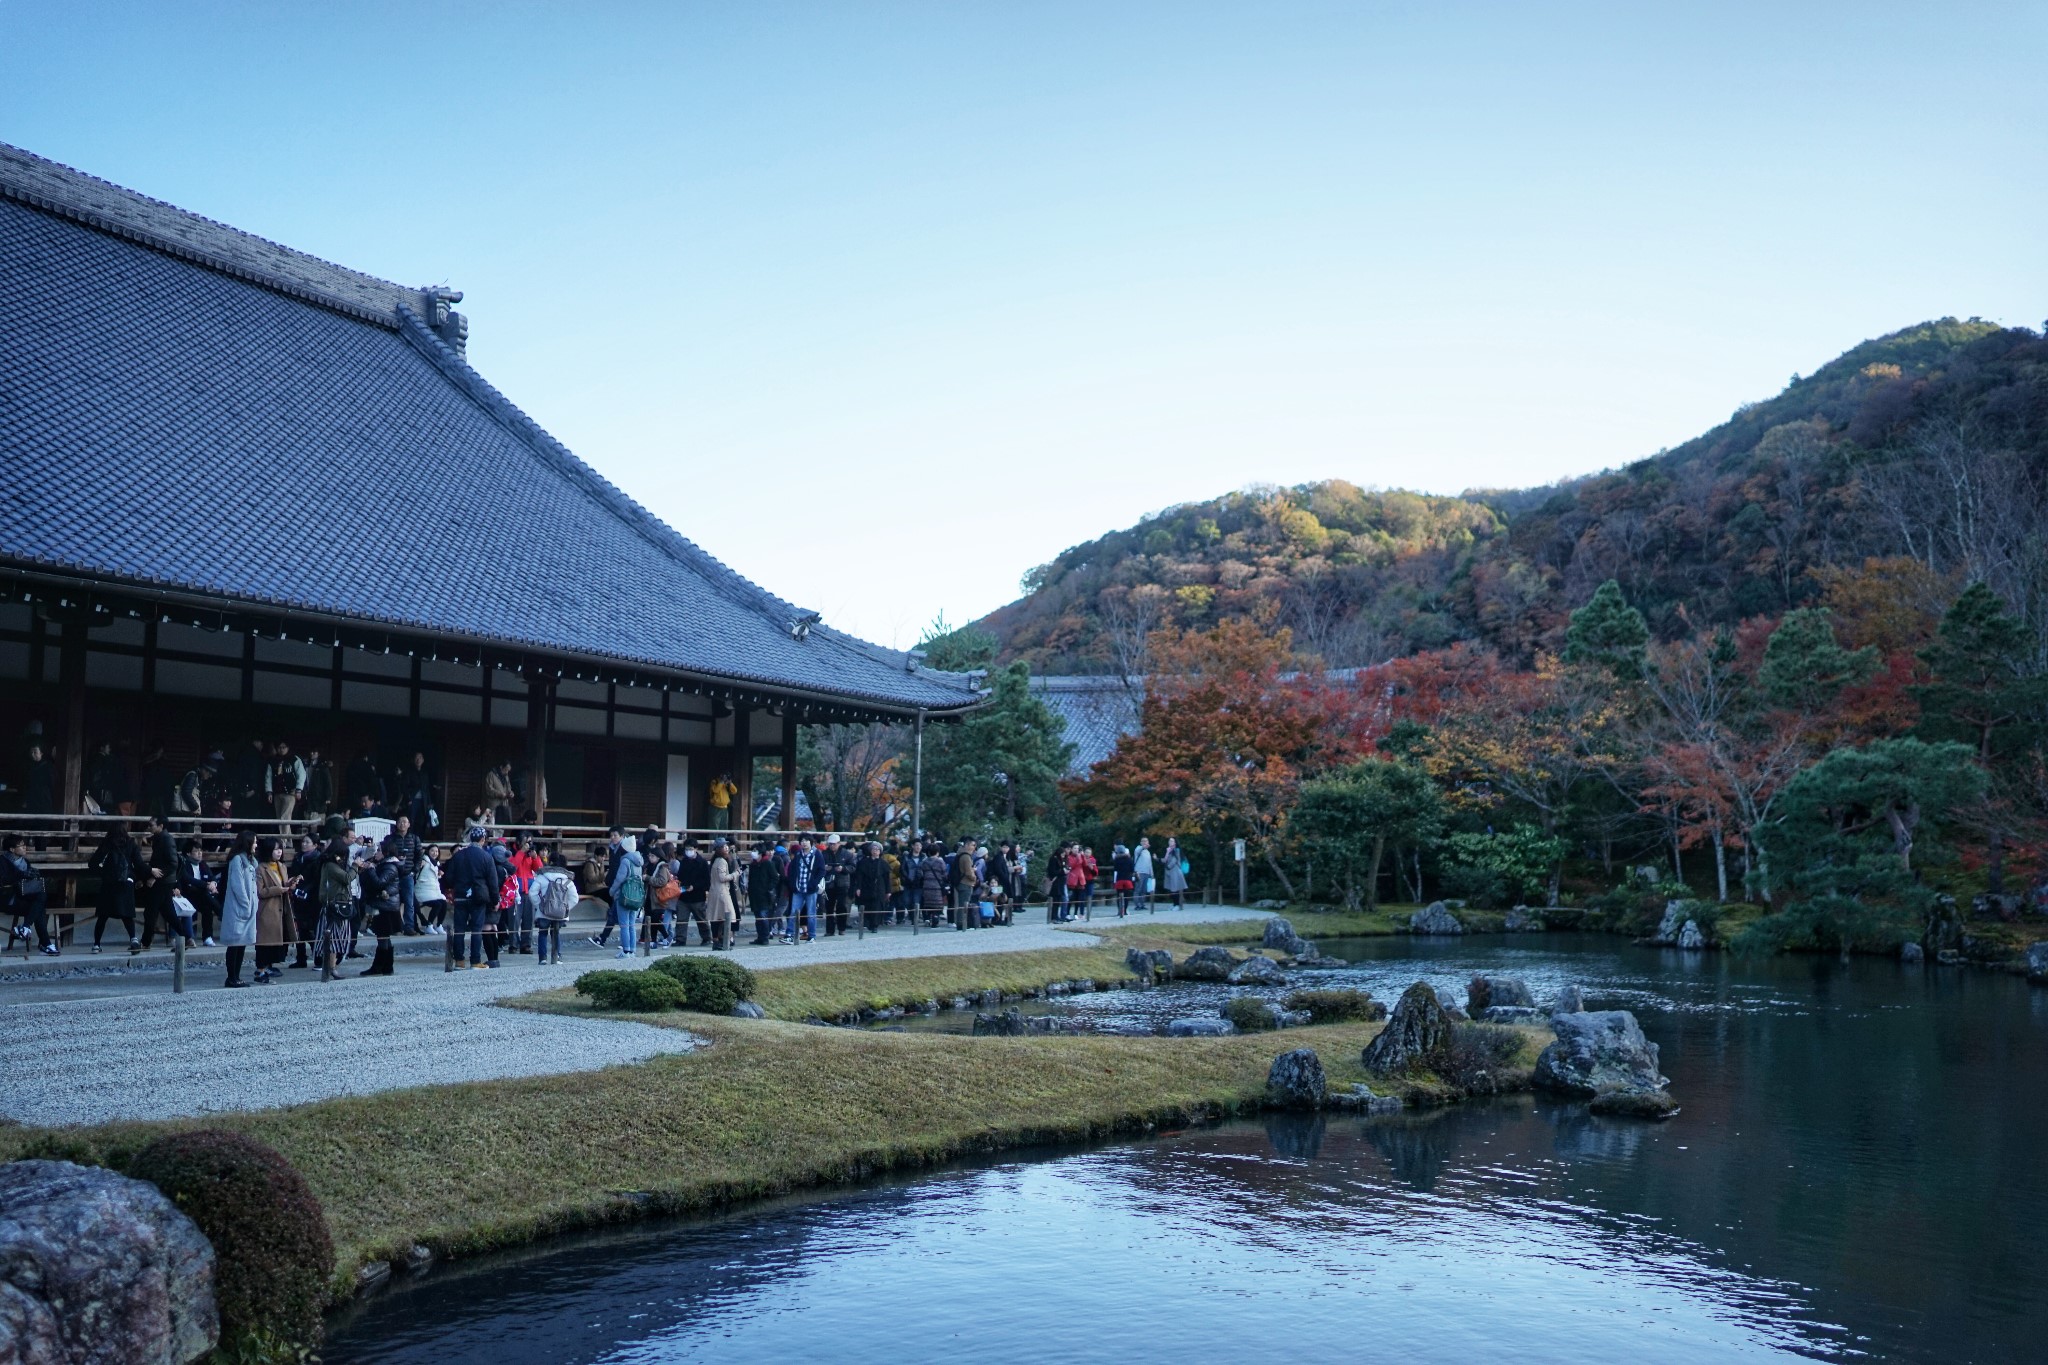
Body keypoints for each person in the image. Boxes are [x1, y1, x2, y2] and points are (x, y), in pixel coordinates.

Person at [447, 826, 505, 968]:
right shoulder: (486, 857)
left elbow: (448, 878)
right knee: (477, 930)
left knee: (459, 929)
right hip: (478, 897)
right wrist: (495, 900)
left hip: (460, 895)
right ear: (483, 839)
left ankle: (459, 961)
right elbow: (493, 881)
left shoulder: (458, 855)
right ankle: (475, 961)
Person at [87, 821, 140, 953]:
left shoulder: (107, 844)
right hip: (125, 883)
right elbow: (138, 863)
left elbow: (93, 863)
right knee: (127, 915)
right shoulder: (131, 844)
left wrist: (104, 873)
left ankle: (96, 944)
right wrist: (133, 877)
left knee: (103, 916)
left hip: (109, 883)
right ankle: (133, 939)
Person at [314, 827, 356, 981]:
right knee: (332, 939)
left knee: (335, 939)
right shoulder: (331, 866)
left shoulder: (329, 864)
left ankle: (331, 967)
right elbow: (346, 878)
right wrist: (356, 867)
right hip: (334, 907)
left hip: (336, 905)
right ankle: (330, 968)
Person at [218, 829, 258, 987]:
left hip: (248, 907)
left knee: (242, 944)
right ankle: (231, 977)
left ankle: (237, 976)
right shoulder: (236, 860)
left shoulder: (251, 860)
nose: (256, 844)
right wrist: (246, 904)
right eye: (254, 841)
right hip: (238, 907)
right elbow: (237, 885)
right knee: (234, 943)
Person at [254, 837, 297, 983]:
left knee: (279, 941)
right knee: (265, 942)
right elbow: (260, 892)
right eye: (276, 849)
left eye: (280, 849)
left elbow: (284, 884)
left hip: (283, 908)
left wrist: (291, 883)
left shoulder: (282, 866)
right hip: (268, 909)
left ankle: (269, 967)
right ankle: (260, 970)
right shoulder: (261, 868)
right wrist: (279, 889)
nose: (279, 852)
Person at [2, 834, 54, 956]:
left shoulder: (25, 862)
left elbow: (26, 884)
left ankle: (25, 927)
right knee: (39, 908)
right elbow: (4, 879)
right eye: (21, 845)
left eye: (25, 845)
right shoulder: (2, 861)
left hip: (22, 897)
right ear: (12, 849)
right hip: (7, 899)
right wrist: (22, 875)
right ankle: (45, 944)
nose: (25, 847)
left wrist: (34, 876)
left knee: (41, 897)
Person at [358, 838, 403, 976]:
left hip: (386, 906)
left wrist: (371, 870)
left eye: (379, 850)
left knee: (383, 936)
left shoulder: (390, 866)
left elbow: (379, 883)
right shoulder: (384, 864)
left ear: (386, 852)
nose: (376, 853)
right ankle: (385, 966)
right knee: (383, 936)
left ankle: (381, 966)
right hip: (384, 904)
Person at [138, 814, 180, 949]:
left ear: (161, 826)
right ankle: (187, 937)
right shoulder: (158, 838)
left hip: (163, 881)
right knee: (167, 912)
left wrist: (154, 877)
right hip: (163, 880)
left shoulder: (167, 840)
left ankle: (145, 942)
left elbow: (172, 863)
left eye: (151, 825)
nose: (149, 827)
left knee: (151, 911)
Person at [532, 848, 578, 964]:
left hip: (544, 912)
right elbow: (575, 899)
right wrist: (565, 908)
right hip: (561, 913)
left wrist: (540, 906)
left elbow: (532, 893)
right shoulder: (568, 879)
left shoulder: (542, 876)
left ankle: (542, 958)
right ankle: (557, 956)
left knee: (542, 933)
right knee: (556, 933)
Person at [608, 831, 645, 958]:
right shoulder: (639, 862)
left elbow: (619, 879)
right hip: (635, 897)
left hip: (624, 896)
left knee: (624, 924)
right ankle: (632, 950)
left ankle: (625, 950)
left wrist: (612, 891)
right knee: (632, 924)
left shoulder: (625, 861)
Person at [506, 832, 544, 954]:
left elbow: (539, 870)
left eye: (530, 842)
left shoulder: (529, 856)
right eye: (526, 842)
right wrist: (521, 852)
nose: (528, 844)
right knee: (514, 920)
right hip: (516, 893)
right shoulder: (511, 853)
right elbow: (513, 867)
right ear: (519, 842)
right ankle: (513, 945)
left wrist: (535, 857)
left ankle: (526, 945)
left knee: (529, 920)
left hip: (529, 891)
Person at [286, 834, 320, 966]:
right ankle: (301, 958)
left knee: (310, 929)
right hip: (297, 894)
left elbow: (315, 880)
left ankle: (317, 956)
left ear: (315, 845)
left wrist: (305, 890)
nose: (304, 844)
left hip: (311, 898)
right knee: (299, 929)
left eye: (307, 842)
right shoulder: (298, 857)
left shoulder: (317, 859)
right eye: (303, 842)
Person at [785, 835, 825, 942]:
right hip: (798, 888)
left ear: (811, 842)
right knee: (793, 912)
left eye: (806, 840)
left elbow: (821, 870)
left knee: (811, 913)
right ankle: (789, 934)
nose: (804, 843)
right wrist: (793, 884)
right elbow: (792, 870)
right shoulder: (798, 854)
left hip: (810, 889)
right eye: (802, 841)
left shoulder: (817, 854)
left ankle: (812, 936)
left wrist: (813, 883)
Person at [389, 813, 424, 934]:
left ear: (409, 824)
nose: (402, 824)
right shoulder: (391, 838)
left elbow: (420, 855)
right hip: (392, 875)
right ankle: (395, 926)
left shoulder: (414, 838)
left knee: (409, 902)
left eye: (405, 822)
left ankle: (409, 926)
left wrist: (415, 870)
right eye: (400, 821)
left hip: (408, 874)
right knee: (392, 901)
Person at [705, 839, 738, 950]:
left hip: (714, 892)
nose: (727, 848)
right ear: (719, 849)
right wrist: (735, 874)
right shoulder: (722, 861)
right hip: (722, 892)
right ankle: (724, 940)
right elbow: (722, 878)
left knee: (716, 917)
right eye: (724, 847)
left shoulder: (715, 860)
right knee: (728, 916)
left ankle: (716, 940)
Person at [678, 841, 711, 945]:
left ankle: (707, 938)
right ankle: (680, 939)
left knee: (701, 919)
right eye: (687, 849)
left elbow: (707, 881)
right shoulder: (684, 861)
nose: (688, 851)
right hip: (684, 896)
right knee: (681, 919)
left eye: (691, 849)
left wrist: (695, 886)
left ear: (696, 849)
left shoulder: (702, 862)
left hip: (698, 897)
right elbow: (680, 876)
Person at [854, 840, 890, 933]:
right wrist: (858, 888)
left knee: (877, 906)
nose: (875, 851)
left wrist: (888, 891)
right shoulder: (863, 862)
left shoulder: (884, 863)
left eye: (877, 849)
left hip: (879, 887)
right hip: (866, 886)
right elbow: (859, 876)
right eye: (873, 849)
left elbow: (887, 878)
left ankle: (875, 925)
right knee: (867, 905)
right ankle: (868, 923)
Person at [747, 850, 779, 944]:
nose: (753, 853)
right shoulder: (753, 865)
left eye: (755, 851)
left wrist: (768, 888)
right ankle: (760, 936)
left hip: (765, 895)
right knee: (758, 916)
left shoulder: (767, 863)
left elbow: (775, 877)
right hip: (754, 895)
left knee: (763, 915)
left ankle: (765, 936)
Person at [415, 845, 448, 933]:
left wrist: (439, 875)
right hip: (422, 891)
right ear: (428, 851)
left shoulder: (436, 864)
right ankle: (428, 925)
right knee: (438, 904)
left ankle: (439, 925)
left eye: (436, 851)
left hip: (433, 891)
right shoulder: (423, 861)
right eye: (432, 851)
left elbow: (432, 878)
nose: (435, 853)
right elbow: (417, 873)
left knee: (444, 903)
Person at [270, 742, 305, 823]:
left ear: (288, 748)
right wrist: (269, 792)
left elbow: (301, 774)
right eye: (279, 747)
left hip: (290, 792)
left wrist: (299, 789)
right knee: (279, 818)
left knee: (285, 817)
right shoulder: (273, 760)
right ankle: (287, 835)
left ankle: (284, 836)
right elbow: (268, 777)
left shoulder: (294, 759)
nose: (281, 749)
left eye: (283, 747)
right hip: (277, 792)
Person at [919, 845, 949, 927]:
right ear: (938, 852)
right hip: (937, 887)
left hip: (926, 886)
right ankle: (935, 919)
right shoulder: (940, 862)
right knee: (937, 904)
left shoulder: (924, 862)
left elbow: (921, 874)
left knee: (927, 903)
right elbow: (944, 874)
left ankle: (927, 918)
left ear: (928, 852)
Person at [302, 748, 336, 820]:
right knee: (306, 817)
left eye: (314, 752)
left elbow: (328, 782)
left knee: (317, 817)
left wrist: (328, 796)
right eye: (311, 752)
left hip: (318, 796)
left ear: (318, 753)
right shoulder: (306, 764)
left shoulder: (322, 766)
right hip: (307, 794)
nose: (312, 754)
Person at [483, 761, 515, 826]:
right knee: (492, 823)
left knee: (502, 825)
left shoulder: (506, 776)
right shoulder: (491, 775)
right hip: (494, 805)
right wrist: (499, 794)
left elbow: (509, 788)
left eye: (508, 771)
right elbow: (489, 790)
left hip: (504, 804)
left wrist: (511, 793)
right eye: (506, 770)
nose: (507, 772)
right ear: (501, 767)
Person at [1162, 837, 1188, 909]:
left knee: (1175, 889)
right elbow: (1165, 860)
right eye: (1169, 840)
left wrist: (1168, 866)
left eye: (1172, 841)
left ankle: (1177, 905)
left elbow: (1174, 860)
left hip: (1175, 872)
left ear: (1175, 843)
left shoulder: (1176, 850)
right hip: (1170, 872)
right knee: (1172, 889)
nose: (1170, 842)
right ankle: (1174, 904)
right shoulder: (1168, 850)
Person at [1112, 845, 1136, 918]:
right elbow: (1132, 869)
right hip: (1128, 879)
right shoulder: (1129, 859)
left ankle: (1119, 910)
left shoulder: (1117, 859)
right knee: (1126, 896)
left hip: (1119, 879)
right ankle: (1125, 910)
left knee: (1119, 896)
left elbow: (1115, 869)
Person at [1133, 837, 1155, 912]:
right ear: (1141, 842)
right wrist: (1143, 847)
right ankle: (1137, 904)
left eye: (1147, 841)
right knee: (1138, 889)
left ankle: (1142, 904)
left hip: (1146, 873)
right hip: (1139, 872)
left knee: (1144, 890)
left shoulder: (1148, 852)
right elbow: (1137, 851)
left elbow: (1150, 864)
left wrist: (1151, 873)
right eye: (1144, 841)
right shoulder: (1138, 849)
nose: (1146, 842)